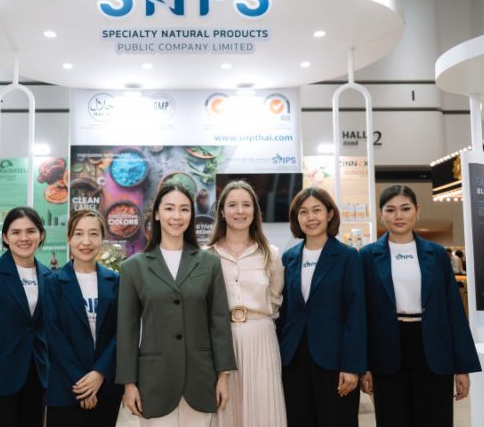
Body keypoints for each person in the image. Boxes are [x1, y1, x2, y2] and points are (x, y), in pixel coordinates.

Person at [116, 183, 237, 427]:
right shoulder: (133, 267)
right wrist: (129, 384)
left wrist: (223, 376)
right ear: (157, 214)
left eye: (184, 209)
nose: (177, 216)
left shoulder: (209, 263)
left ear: (191, 215)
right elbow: (127, 330)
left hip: (201, 378)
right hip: (154, 380)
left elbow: (219, 322)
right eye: (169, 208)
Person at [360, 185, 480, 427]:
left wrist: (462, 367)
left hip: (433, 346)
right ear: (381, 214)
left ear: (417, 210)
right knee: (392, 419)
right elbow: (362, 315)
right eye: (390, 210)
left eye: (405, 209)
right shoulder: (366, 256)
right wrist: (363, 366)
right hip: (386, 348)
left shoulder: (436, 254)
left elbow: (453, 311)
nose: (398, 216)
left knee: (434, 418)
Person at [277, 187, 365, 427]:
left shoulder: (348, 256)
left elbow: (356, 315)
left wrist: (352, 366)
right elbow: (283, 312)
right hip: (294, 359)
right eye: (303, 212)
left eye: (316, 210)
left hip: (335, 360)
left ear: (330, 214)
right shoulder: (288, 258)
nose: (310, 217)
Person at [207, 180, 286, 427]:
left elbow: (274, 299)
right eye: (232, 205)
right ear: (222, 211)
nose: (240, 211)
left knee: (262, 409)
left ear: (255, 211)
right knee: (225, 409)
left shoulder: (270, 254)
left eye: (246, 205)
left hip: (261, 338)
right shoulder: (207, 255)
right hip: (221, 340)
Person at [0, 207, 51, 426]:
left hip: (36, 379)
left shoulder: (48, 276)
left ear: (41, 235)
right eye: (16, 232)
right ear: (5, 237)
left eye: (30, 231)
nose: (24, 238)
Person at [44, 209, 122, 427]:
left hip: (105, 387)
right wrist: (83, 384)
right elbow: (54, 337)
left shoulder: (116, 281)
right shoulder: (53, 283)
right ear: (69, 238)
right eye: (78, 234)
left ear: (102, 239)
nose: (86, 241)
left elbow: (123, 331)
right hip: (66, 388)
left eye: (93, 234)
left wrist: (99, 373)